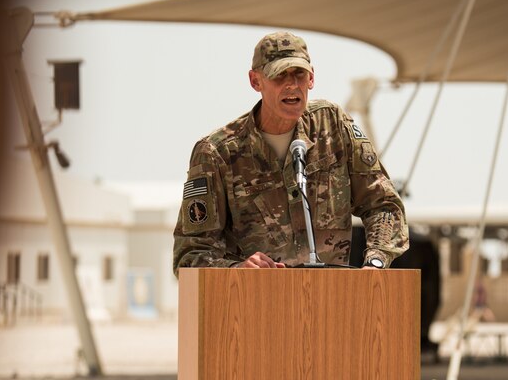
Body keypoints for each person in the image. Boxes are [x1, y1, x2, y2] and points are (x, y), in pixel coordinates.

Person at [173, 31, 408, 271]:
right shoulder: (217, 153)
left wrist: (376, 261)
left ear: (312, 78)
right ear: (255, 81)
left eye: (299, 74)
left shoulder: (333, 126)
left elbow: (383, 204)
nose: (292, 85)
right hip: (255, 303)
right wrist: (237, 269)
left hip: (333, 300)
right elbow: (190, 255)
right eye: (279, 76)